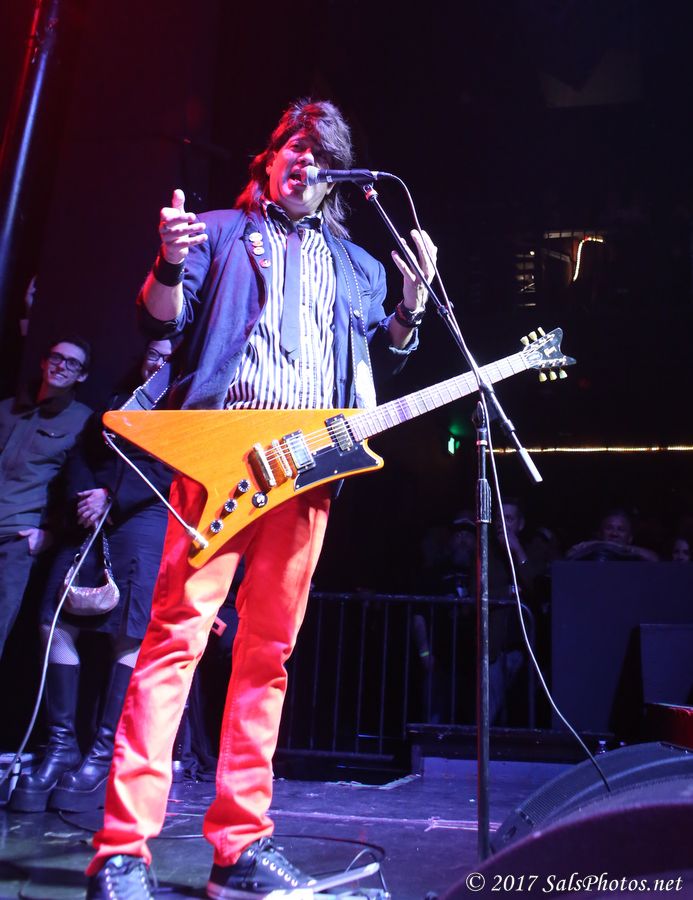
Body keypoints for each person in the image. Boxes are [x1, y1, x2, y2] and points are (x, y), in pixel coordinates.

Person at [86, 99, 437, 900]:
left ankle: (240, 848)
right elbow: (159, 318)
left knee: (266, 656)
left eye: (320, 154)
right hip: (221, 463)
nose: (303, 161)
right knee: (174, 642)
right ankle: (121, 852)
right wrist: (167, 262)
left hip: (308, 472)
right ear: (269, 158)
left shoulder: (359, 265)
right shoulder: (217, 232)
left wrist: (412, 304)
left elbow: (382, 358)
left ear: (338, 175)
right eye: (292, 146)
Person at [10, 340, 174, 813]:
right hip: (92, 512)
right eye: (152, 353)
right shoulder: (118, 399)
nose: (156, 362)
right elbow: (82, 452)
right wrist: (88, 495)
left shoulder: (186, 405)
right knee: (54, 619)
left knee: (127, 630)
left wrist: (113, 498)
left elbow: (169, 469)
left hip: (142, 516)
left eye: (167, 357)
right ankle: (62, 746)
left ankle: (103, 755)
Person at [0, 337, 91, 660]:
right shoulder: (7, 409)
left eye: (72, 363)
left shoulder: (82, 421)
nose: (61, 366)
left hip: (16, 540)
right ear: (43, 361)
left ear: (82, 375)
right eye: (56, 357)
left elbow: (77, 484)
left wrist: (50, 533)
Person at [566, 507, 659, 562]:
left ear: (630, 538)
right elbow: (569, 555)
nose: (614, 533)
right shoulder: (591, 550)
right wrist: (597, 545)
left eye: (621, 529)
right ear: (600, 534)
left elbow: (655, 559)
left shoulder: (636, 555)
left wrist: (616, 547)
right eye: (609, 528)